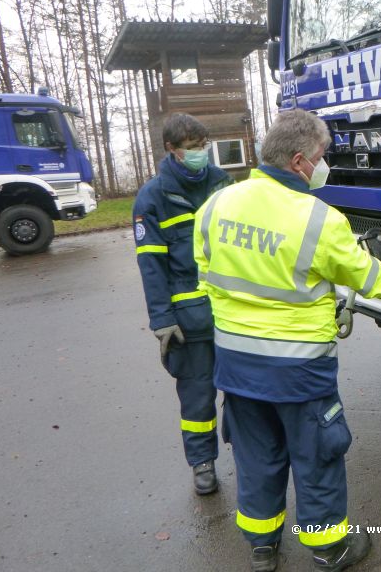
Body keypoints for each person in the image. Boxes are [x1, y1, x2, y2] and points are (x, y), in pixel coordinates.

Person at [193, 108, 381, 572]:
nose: (324, 165)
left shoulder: (216, 205)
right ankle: (330, 549)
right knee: (317, 458)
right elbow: (370, 278)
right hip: (299, 372)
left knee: (257, 460)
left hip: (237, 368)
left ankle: (262, 548)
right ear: (300, 162)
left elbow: (206, 276)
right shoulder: (318, 220)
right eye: (321, 157)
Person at [133, 113, 232, 496]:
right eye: (191, 149)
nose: (200, 154)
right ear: (171, 150)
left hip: (231, 313)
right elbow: (152, 266)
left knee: (244, 392)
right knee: (197, 397)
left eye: (203, 146)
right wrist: (162, 320)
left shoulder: (224, 185)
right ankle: (202, 463)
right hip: (189, 324)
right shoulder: (153, 197)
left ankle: (246, 449)